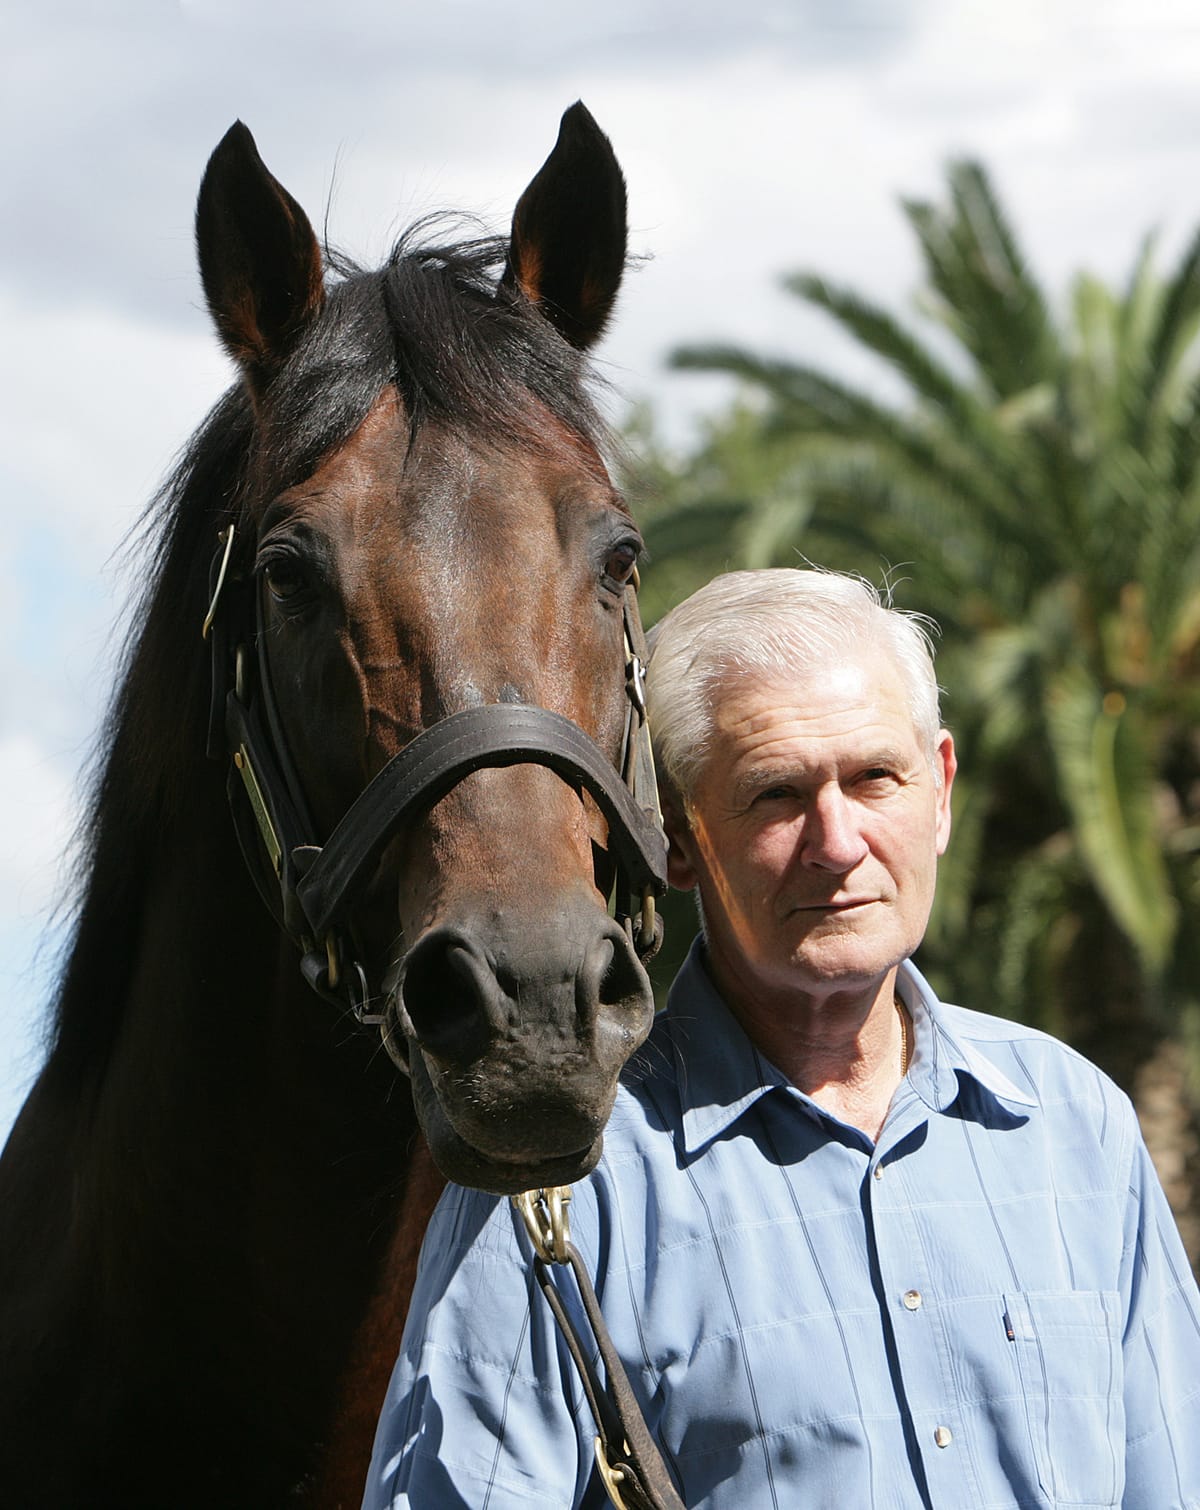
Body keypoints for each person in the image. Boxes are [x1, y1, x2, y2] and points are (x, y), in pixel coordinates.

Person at [363, 568, 1200, 1509]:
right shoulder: (564, 1187)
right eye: (776, 795)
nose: (838, 841)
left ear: (942, 792)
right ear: (674, 838)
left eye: (877, 777)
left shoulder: (1074, 1127)